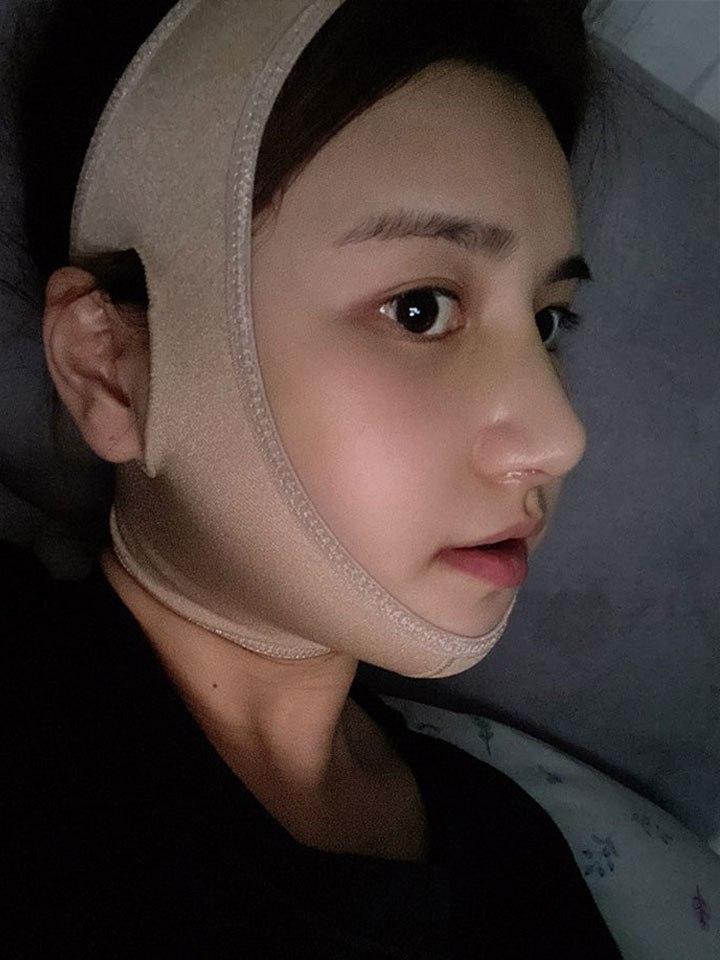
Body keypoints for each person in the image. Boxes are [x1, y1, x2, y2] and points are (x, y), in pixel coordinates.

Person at [5, 0, 623, 955]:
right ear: (109, 368)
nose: (558, 436)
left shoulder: (510, 853)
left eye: (547, 322)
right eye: (420, 309)